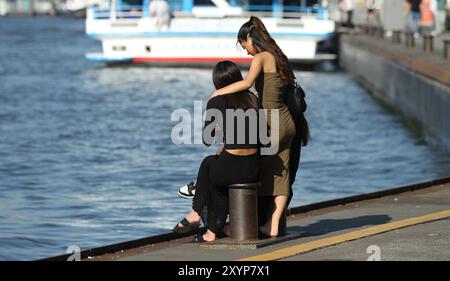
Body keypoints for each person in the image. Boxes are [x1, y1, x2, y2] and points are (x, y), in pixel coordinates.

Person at [211, 16, 309, 238]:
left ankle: (241, 223)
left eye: (243, 44)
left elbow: (246, 83)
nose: (245, 51)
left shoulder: (261, 57)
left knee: (250, 167)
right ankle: (273, 225)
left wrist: (218, 93)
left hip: (270, 124)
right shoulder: (279, 57)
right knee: (281, 176)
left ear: (249, 38)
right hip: (287, 123)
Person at [172, 61, 261, 242]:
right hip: (255, 167)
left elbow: (207, 139)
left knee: (209, 165)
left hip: (232, 167)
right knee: (214, 169)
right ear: (237, 78)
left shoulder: (216, 100)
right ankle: (209, 229)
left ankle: (196, 213)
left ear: (217, 82)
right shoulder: (253, 99)